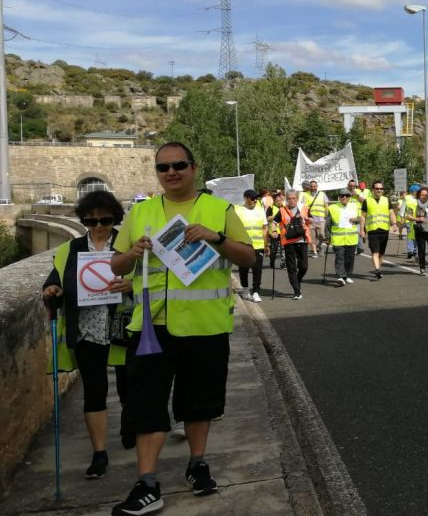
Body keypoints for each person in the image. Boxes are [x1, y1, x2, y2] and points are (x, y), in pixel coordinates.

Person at [108, 142, 254, 515]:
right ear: (157, 172)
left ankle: (197, 463)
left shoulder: (219, 210)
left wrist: (216, 238)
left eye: (179, 165)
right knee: (146, 405)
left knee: (198, 404)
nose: (171, 172)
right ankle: (147, 484)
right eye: (163, 167)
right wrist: (133, 253)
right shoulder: (140, 212)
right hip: (152, 327)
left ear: (193, 167)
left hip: (205, 327)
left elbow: (249, 256)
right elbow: (116, 266)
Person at [42, 190, 132, 479]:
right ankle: (100, 452)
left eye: (104, 219)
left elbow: (148, 279)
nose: (98, 226)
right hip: (87, 331)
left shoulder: (127, 245)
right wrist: (51, 291)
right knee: (94, 391)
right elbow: (55, 281)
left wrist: (130, 285)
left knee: (128, 387)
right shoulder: (70, 249)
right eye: (91, 221)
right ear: (83, 220)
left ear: (115, 217)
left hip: (124, 328)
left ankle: (129, 423)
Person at [274, 191, 310, 300]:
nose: (292, 200)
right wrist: (274, 231)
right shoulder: (282, 210)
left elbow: (312, 220)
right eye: (289, 198)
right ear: (286, 199)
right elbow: (274, 222)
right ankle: (296, 291)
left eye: (294, 198)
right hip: (288, 242)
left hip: (302, 240)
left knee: (304, 266)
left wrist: (309, 220)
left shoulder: (304, 209)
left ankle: (297, 280)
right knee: (291, 267)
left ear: (297, 199)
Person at [234, 189, 269, 303]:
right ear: (245, 198)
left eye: (256, 198)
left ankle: (256, 292)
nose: (255, 200)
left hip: (258, 245)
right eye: (252, 198)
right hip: (243, 245)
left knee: (257, 269)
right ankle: (245, 289)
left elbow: (264, 228)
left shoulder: (260, 210)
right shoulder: (238, 210)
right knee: (243, 269)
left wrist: (266, 244)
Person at [364, 180, 397, 280]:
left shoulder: (386, 200)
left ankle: (378, 269)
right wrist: (362, 230)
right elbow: (362, 217)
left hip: (384, 229)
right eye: (377, 188)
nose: (379, 190)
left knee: (381, 252)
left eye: (381, 188)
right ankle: (377, 269)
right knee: (375, 251)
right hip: (372, 230)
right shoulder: (367, 200)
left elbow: (391, 213)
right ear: (373, 190)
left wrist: (394, 224)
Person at [328, 190, 361, 285]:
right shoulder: (333, 208)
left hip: (351, 238)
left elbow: (360, 219)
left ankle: (347, 276)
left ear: (349, 197)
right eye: (342, 195)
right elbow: (328, 224)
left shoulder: (354, 207)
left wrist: (356, 219)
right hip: (338, 239)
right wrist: (327, 237)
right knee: (340, 258)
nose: (344, 197)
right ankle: (340, 277)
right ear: (339, 197)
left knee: (349, 259)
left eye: (346, 196)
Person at [302, 180, 328, 259]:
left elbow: (326, 205)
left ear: (317, 186)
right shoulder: (306, 195)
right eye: (311, 186)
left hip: (321, 218)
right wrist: (305, 218)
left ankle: (319, 246)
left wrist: (326, 215)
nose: (313, 188)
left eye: (314, 186)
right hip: (311, 219)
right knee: (313, 237)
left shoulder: (322, 194)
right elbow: (304, 207)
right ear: (309, 187)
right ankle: (315, 252)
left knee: (321, 235)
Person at [266, 191, 285, 270]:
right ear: (274, 201)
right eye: (277, 201)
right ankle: (272, 260)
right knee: (275, 249)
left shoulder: (285, 207)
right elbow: (268, 218)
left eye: (280, 200)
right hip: (274, 232)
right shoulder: (271, 207)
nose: (279, 202)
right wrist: (276, 216)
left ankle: (283, 263)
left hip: (284, 231)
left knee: (284, 249)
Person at [404, 184, 421, 260]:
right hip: (409, 220)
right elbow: (402, 208)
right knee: (411, 236)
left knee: (417, 236)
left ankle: (415, 251)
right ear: (413, 191)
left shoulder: (419, 198)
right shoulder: (406, 198)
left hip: (418, 220)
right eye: (417, 191)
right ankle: (411, 251)